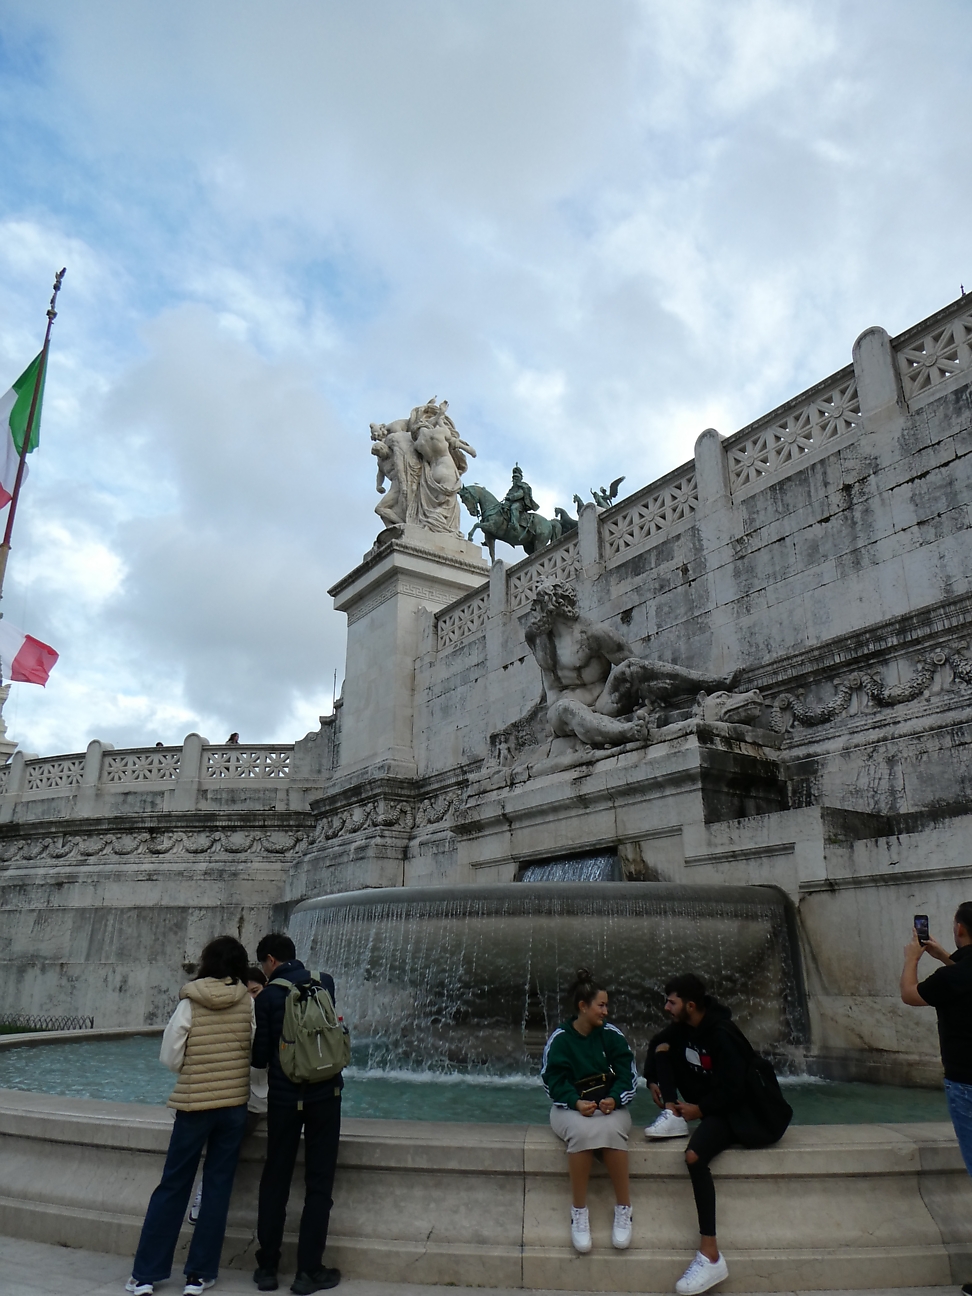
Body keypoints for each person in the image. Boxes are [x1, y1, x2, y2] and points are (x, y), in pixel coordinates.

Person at [126, 936, 255, 1296]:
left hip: (194, 1104)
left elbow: (170, 1055)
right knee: (216, 1188)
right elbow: (251, 1048)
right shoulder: (247, 1001)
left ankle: (146, 1275)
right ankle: (199, 1275)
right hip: (233, 1104)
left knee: (173, 1185)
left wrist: (194, 1068)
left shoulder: (190, 1001)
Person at [643, 974, 785, 1296]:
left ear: (690, 1005)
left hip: (739, 1110)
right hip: (712, 1102)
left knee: (694, 1156)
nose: (666, 1008)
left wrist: (700, 1110)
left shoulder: (722, 1034)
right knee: (664, 1048)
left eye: (672, 1002)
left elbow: (736, 1090)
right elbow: (656, 1043)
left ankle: (710, 1255)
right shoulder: (685, 1028)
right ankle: (672, 1115)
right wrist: (653, 1079)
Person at [252, 933, 343, 1295]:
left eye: (263, 965)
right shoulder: (325, 982)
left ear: (271, 961)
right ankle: (309, 1271)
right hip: (326, 1095)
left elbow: (260, 1057)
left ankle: (267, 1267)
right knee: (319, 1184)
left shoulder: (268, 996)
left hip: (285, 1099)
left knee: (276, 1178)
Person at [539, 968, 638, 1254]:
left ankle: (624, 1208)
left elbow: (628, 1075)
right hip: (569, 1108)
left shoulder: (611, 1035)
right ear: (583, 1007)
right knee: (581, 1132)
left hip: (610, 1106)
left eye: (606, 1005)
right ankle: (579, 1212)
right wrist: (575, 1102)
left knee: (612, 1129)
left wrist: (615, 1099)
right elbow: (552, 1081)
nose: (606, 1011)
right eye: (601, 1005)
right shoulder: (560, 1039)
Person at [900, 904, 972, 1210]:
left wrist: (912, 959)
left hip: (966, 1084)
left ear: (959, 929)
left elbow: (910, 993)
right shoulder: (955, 973)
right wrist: (944, 955)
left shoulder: (950, 978)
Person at [188, 967, 269, 1227]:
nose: (252, 998)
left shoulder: (271, 1014)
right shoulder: (236, 1015)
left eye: (256, 991)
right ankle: (204, 1194)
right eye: (248, 993)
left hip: (256, 1100)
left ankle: (203, 1193)